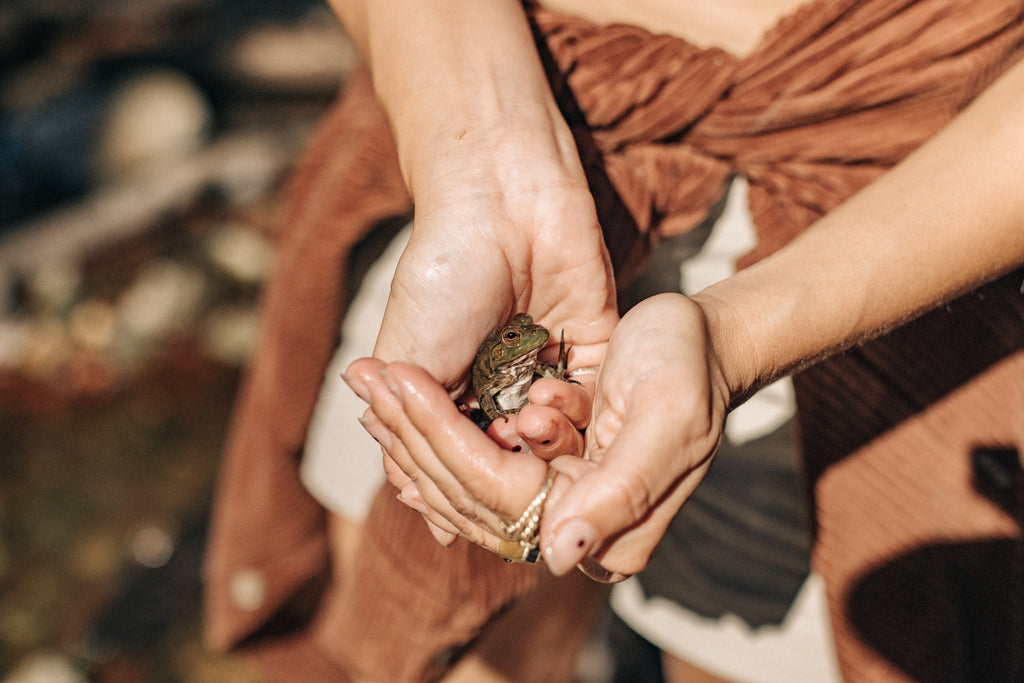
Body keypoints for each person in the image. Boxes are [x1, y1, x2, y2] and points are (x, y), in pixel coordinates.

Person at [204, 1, 1024, 681]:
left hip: (905, 212)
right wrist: (482, 152)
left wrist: (738, 332)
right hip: (502, 93)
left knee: (734, 639)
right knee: (416, 642)